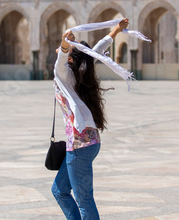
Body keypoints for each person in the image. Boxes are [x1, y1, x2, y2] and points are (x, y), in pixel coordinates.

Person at [51, 18, 129, 220]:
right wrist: (115, 31)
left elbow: (63, 59)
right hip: (85, 144)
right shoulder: (78, 74)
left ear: (69, 59)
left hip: (80, 145)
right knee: (59, 191)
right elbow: (97, 50)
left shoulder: (64, 74)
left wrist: (66, 43)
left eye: (65, 53)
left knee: (84, 199)